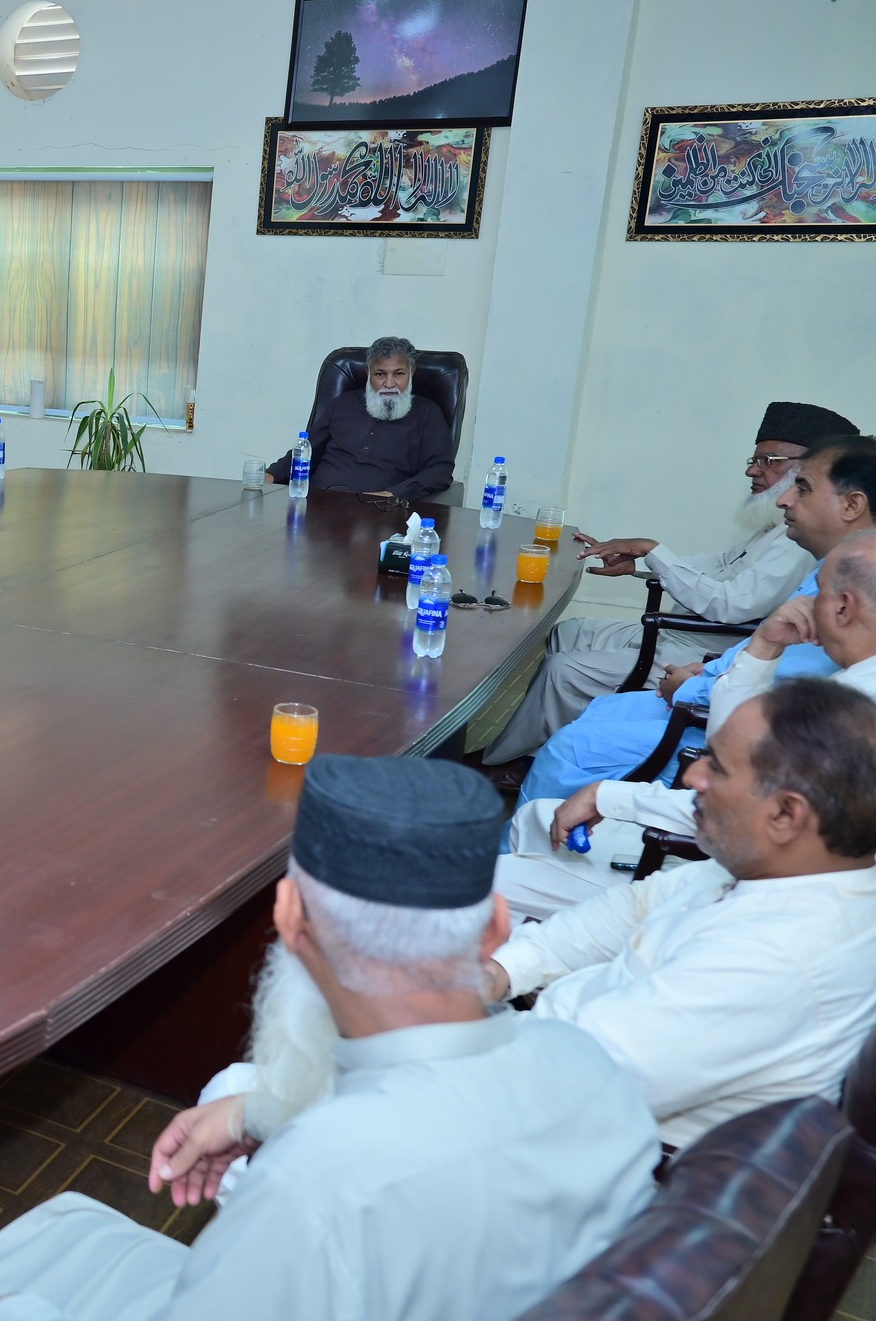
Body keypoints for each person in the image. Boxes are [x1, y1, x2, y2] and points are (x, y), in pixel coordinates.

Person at [0, 756, 658, 1321]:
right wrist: (262, 1111)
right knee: (74, 1228)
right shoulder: (588, 1069)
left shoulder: (315, 1189)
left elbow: (360, 1178)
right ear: (498, 926)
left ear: (290, 918)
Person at [486, 678, 876, 1151]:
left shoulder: (773, 959)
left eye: (719, 768)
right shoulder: (781, 870)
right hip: (551, 1059)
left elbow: (564, 1080)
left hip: (574, 1142)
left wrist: (446, 1025)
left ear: (785, 815)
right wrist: (504, 970)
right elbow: (632, 908)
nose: (693, 777)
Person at [499, 532, 876, 918]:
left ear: (843, 608)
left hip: (740, 888)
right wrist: (764, 645)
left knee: (501, 875)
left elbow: (747, 807)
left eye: (817, 591)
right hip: (734, 859)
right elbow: (728, 749)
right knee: (534, 820)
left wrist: (611, 798)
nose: (804, 601)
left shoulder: (855, 709)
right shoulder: (853, 681)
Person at [483, 400, 853, 763]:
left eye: (768, 461)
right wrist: (641, 561)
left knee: (563, 671)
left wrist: (652, 550)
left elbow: (732, 605)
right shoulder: (777, 525)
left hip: (707, 649)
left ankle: (513, 762)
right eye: (753, 460)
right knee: (569, 632)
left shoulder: (798, 540)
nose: (752, 471)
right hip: (683, 632)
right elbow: (716, 565)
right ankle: (548, 741)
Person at [514, 437, 876, 806]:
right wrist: (647, 561)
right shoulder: (821, 561)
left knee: (572, 743)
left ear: (852, 505)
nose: (783, 497)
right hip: (716, 675)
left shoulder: (848, 588)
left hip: (733, 722)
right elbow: (721, 571)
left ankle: (532, 811)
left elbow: (775, 663)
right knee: (597, 703)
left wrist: (694, 687)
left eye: (801, 485)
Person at [265, 335, 453, 501]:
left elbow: (440, 471)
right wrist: (270, 475)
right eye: (380, 374)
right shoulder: (342, 403)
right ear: (368, 373)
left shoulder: (428, 414)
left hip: (377, 511)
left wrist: (393, 495)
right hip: (318, 501)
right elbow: (307, 450)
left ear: (411, 372)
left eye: (398, 374)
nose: (389, 383)